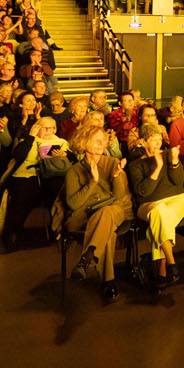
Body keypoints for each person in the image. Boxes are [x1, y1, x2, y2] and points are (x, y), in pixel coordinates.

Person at [62, 128, 134, 303]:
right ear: (84, 143)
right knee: (107, 230)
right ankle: (108, 280)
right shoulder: (74, 171)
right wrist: (92, 182)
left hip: (114, 209)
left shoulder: (113, 163)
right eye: (96, 140)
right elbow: (73, 204)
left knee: (107, 212)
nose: (102, 144)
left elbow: (119, 197)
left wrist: (117, 176)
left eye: (103, 140)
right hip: (85, 215)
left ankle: (87, 257)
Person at [0, 115, 69, 253]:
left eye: (52, 128)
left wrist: (63, 155)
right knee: (23, 193)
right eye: (45, 128)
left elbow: (68, 161)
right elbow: (18, 156)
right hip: (27, 174)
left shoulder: (61, 142)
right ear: (37, 128)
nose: (49, 131)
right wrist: (31, 137)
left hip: (50, 175)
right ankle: (11, 234)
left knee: (58, 189)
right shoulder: (27, 140)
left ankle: (56, 230)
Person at [132, 127, 184, 290]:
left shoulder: (169, 154)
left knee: (159, 218)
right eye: (153, 140)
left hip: (176, 200)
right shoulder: (135, 164)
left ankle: (163, 271)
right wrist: (157, 168)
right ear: (143, 142)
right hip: (148, 205)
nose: (158, 143)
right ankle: (171, 261)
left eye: (159, 139)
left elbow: (179, 181)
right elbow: (143, 192)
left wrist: (174, 161)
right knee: (159, 210)